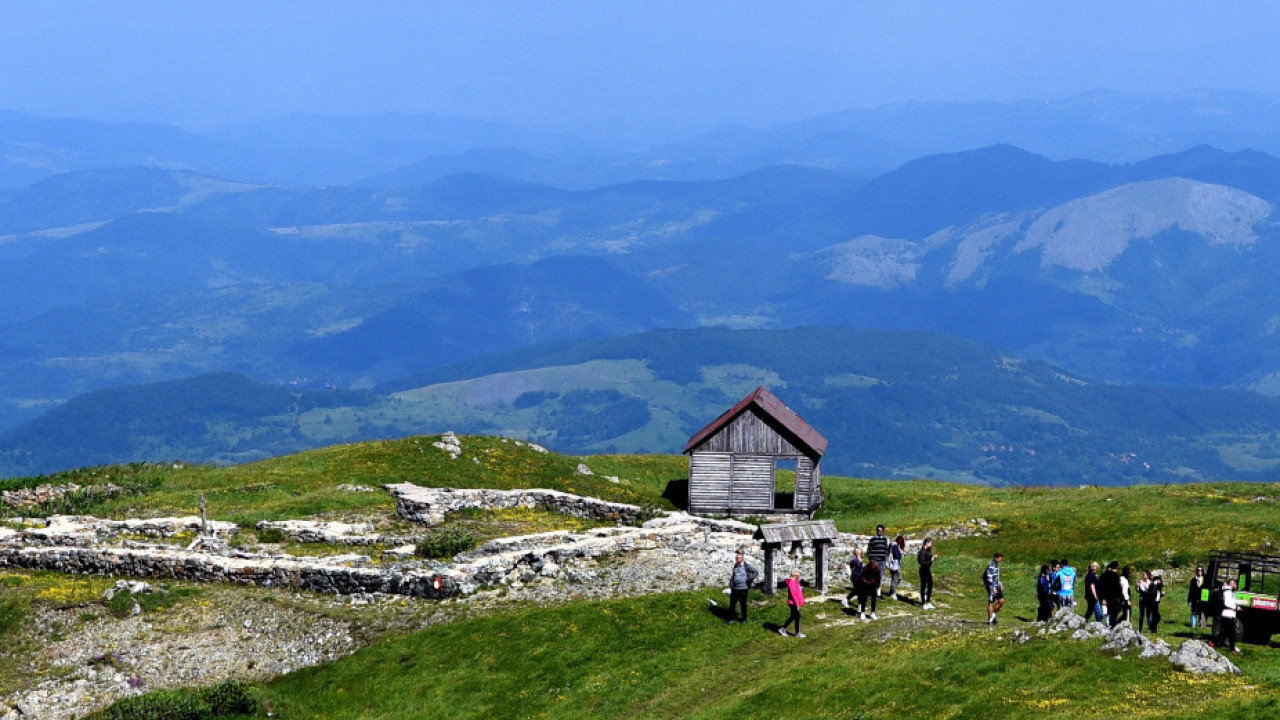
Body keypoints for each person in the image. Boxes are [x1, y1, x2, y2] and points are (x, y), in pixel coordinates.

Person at [727, 550, 758, 624]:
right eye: (737, 557)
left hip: (743, 589)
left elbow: (756, 572)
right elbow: (733, 575)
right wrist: (731, 584)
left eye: (739, 557)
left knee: (743, 604)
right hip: (735, 589)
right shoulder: (735, 565)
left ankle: (744, 619)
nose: (737, 558)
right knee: (732, 604)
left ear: (742, 558)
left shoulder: (747, 566)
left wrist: (749, 579)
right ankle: (731, 619)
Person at [1216, 578, 1241, 654]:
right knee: (1231, 633)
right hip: (1228, 614)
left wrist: (1241, 602)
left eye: (1235, 584)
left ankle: (1213, 642)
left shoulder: (1230, 591)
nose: (1235, 585)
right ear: (1230, 584)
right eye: (1233, 584)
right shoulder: (1227, 591)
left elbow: (1232, 601)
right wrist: (1235, 608)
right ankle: (1232, 649)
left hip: (1230, 614)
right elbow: (1227, 603)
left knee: (1226, 632)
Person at [866, 525, 890, 599]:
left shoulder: (884, 539)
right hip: (874, 560)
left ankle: (879, 594)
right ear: (876, 531)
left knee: (880, 577)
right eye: (879, 530)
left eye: (881, 530)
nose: (880, 532)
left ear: (883, 531)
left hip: (882, 561)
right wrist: (871, 559)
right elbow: (869, 550)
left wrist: (885, 556)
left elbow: (887, 549)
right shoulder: (873, 539)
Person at [780, 569, 806, 638]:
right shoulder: (791, 582)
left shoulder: (795, 581)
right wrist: (797, 604)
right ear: (794, 574)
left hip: (794, 602)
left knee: (793, 617)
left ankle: (783, 629)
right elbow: (793, 594)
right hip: (793, 603)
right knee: (798, 616)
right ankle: (797, 633)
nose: (799, 575)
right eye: (797, 573)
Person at [917, 537, 937, 609]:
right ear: (926, 543)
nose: (931, 544)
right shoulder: (922, 551)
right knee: (923, 586)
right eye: (930, 543)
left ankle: (928, 601)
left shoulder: (928, 551)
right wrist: (931, 559)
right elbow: (922, 562)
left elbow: (928, 561)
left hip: (927, 570)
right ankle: (923, 603)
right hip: (923, 570)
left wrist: (932, 559)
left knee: (930, 585)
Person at [1100, 561, 1122, 627]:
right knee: (1114, 612)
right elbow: (1118, 588)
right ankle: (1112, 624)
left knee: (1108, 612)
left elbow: (1102, 586)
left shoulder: (1105, 575)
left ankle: (1107, 624)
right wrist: (1120, 596)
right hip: (1114, 597)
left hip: (1106, 596)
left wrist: (1103, 597)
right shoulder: (1116, 576)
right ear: (1117, 567)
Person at [985, 552, 1005, 624]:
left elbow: (996, 577)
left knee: (1001, 601)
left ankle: (993, 615)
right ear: (996, 558)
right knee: (991, 602)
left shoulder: (996, 565)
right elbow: (989, 577)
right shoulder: (991, 565)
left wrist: (1000, 584)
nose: (1000, 560)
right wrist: (992, 588)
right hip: (991, 586)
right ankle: (990, 619)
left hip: (996, 585)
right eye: (1000, 558)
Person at [885, 535, 906, 599]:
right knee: (896, 579)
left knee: (897, 578)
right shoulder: (895, 546)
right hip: (895, 565)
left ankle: (891, 591)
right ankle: (892, 593)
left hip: (892, 564)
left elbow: (888, 552)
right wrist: (901, 553)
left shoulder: (891, 544)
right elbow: (897, 555)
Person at [1187, 565, 1207, 630]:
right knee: (1194, 612)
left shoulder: (1205, 580)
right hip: (1194, 598)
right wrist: (1189, 600)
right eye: (1198, 570)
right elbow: (1191, 591)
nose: (1200, 571)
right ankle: (1193, 625)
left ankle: (1202, 625)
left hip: (1203, 598)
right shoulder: (1193, 580)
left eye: (1201, 570)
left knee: (1203, 612)